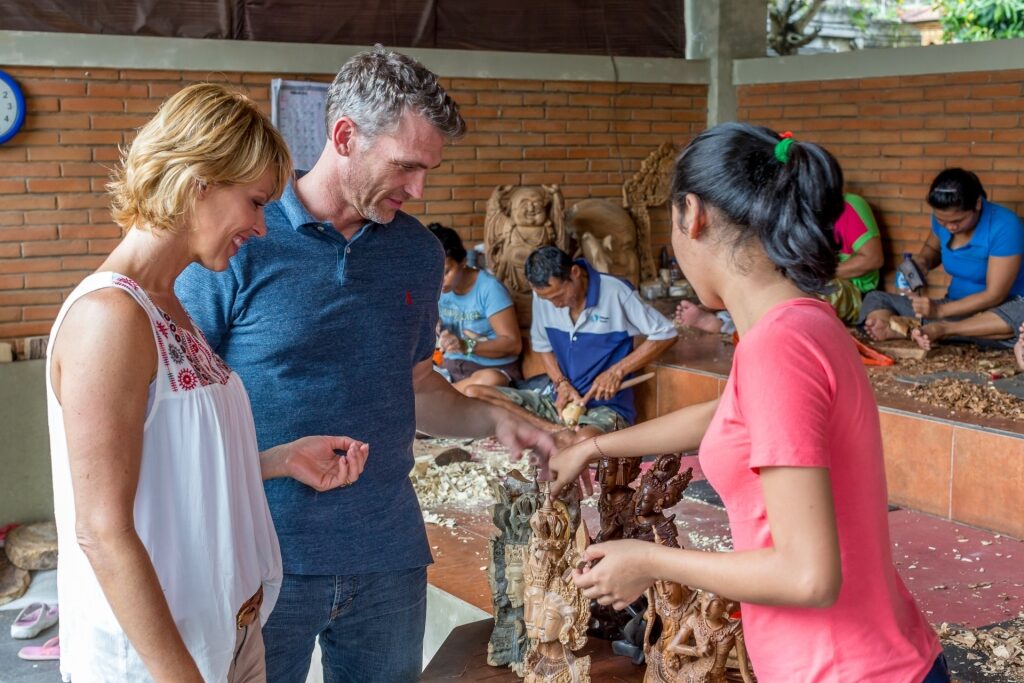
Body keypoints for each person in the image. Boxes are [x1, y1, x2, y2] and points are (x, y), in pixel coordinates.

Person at [176, 47, 555, 683]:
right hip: (262, 558)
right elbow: (185, 410)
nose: (419, 190)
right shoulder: (242, 237)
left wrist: (500, 420)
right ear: (345, 136)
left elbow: (416, 386)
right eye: (406, 166)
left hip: (387, 555)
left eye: (429, 170)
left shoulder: (416, 253)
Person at [547, 124, 948, 682]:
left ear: (692, 214)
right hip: (873, 655)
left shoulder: (779, 347)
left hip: (846, 668)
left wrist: (647, 562)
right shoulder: (803, 321)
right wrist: (595, 447)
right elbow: (727, 416)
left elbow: (808, 576)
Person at [46, 83, 370, 683]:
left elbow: (169, 466)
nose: (262, 227)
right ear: (198, 181)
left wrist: (279, 460)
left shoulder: (167, 304)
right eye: (253, 201)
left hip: (220, 632)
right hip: (157, 658)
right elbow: (102, 528)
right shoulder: (110, 317)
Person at [466, 246, 677, 444]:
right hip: (558, 402)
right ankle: (555, 431)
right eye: (547, 299)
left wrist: (617, 371)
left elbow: (666, 333)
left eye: (558, 296)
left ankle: (552, 435)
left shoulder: (615, 292)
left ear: (575, 273)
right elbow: (542, 346)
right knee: (475, 394)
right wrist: (561, 383)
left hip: (606, 408)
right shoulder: (544, 298)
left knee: (584, 442)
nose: (554, 304)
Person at [861, 168, 1024, 350]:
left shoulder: (1005, 226)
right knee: (876, 297)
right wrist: (922, 263)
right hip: (955, 308)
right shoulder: (943, 219)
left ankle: (944, 330)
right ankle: (897, 327)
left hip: (998, 313)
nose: (950, 227)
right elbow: (932, 249)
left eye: (957, 220)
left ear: (977, 204)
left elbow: (995, 295)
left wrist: (939, 312)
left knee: (1021, 314)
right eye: (942, 221)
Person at [676, 192, 882, 330]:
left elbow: (872, 259)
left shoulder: (848, 206)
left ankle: (722, 324)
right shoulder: (794, 211)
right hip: (804, 278)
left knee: (798, 293)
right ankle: (720, 319)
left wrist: (814, 273)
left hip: (850, 290)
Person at [428, 222, 523, 393]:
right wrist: (437, 328)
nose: (439, 280)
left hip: (493, 369)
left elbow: (513, 344)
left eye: (446, 271)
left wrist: (466, 346)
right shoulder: (437, 287)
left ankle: (444, 395)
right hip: (453, 370)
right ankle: (447, 394)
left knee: (488, 381)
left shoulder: (489, 289)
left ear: (463, 261)